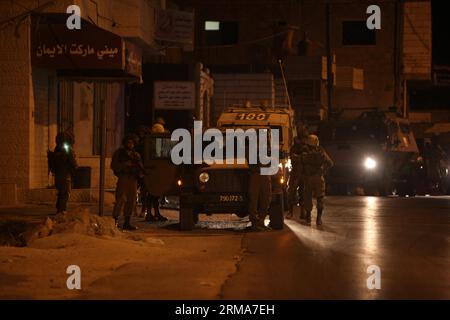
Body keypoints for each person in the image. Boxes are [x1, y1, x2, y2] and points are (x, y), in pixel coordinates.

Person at [111, 134, 143, 230]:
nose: (130, 144)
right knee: (121, 199)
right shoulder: (119, 153)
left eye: (132, 143)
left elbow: (140, 167)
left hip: (133, 179)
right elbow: (114, 166)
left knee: (131, 200)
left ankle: (127, 222)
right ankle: (114, 220)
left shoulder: (136, 155)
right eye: (128, 142)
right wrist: (124, 165)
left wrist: (140, 172)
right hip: (123, 177)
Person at [300, 134, 334, 226]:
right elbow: (330, 163)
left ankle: (308, 218)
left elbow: (301, 163)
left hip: (308, 178)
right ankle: (319, 219)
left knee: (307, 198)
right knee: (320, 198)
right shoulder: (321, 151)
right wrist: (323, 170)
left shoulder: (305, 151)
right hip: (319, 178)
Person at [49, 131, 78, 214]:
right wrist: (76, 167)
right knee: (65, 193)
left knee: (61, 192)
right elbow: (72, 161)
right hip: (65, 175)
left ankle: (59, 208)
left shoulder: (56, 149)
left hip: (57, 175)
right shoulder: (67, 148)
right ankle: (62, 210)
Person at [287, 123, 309, 219]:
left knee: (303, 194)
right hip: (296, 173)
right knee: (291, 193)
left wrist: (300, 157)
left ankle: (302, 213)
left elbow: (308, 158)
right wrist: (301, 157)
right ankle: (291, 212)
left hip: (303, 173)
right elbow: (292, 157)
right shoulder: (295, 146)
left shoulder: (307, 146)